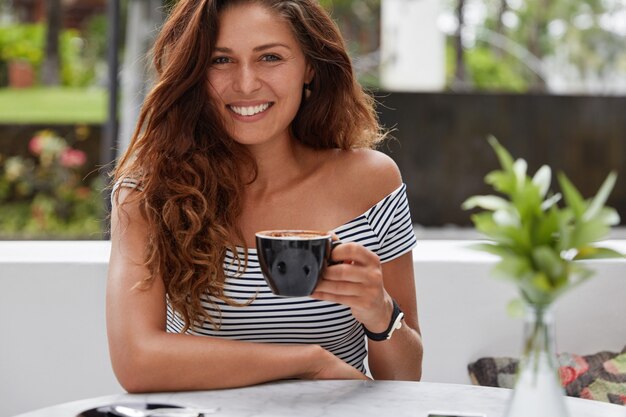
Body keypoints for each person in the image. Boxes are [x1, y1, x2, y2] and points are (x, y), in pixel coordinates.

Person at [107, 0, 423, 393]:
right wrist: (309, 363)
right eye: (221, 60)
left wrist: (380, 311)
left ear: (310, 67)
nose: (245, 83)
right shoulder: (149, 193)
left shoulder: (372, 183)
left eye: (270, 57)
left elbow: (406, 378)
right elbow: (137, 361)